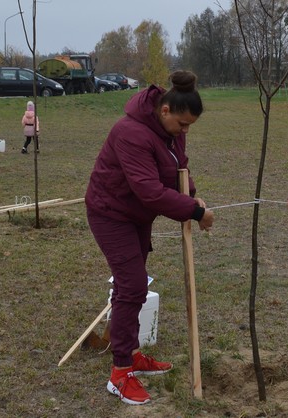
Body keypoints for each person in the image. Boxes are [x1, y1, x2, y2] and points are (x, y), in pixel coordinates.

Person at [85, 70, 214, 405]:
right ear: (165, 110)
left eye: (190, 127)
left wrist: (193, 195)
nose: (185, 131)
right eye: (182, 124)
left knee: (133, 286)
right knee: (132, 286)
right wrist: (195, 211)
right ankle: (120, 374)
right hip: (110, 212)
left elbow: (177, 168)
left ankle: (131, 353)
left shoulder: (170, 131)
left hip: (136, 215)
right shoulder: (130, 132)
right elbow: (150, 191)